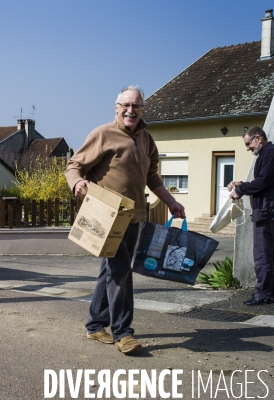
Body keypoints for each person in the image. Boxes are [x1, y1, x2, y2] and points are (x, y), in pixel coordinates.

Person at [65, 86, 185, 354]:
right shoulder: (102, 134)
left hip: (134, 217)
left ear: (142, 109)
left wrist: (171, 202)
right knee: (120, 271)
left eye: (137, 106)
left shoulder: (146, 139)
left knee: (110, 271)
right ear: (117, 107)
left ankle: (96, 325)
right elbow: (74, 165)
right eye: (126, 105)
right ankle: (123, 333)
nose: (131, 110)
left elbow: (152, 177)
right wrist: (77, 183)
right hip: (107, 216)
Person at [228, 127, 274, 305]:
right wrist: (240, 184)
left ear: (258, 138)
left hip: (266, 211)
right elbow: (265, 182)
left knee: (262, 254)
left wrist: (240, 190)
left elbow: (263, 181)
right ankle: (270, 291)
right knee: (270, 253)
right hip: (269, 209)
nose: (247, 148)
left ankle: (263, 294)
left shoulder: (271, 153)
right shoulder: (269, 154)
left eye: (248, 143)